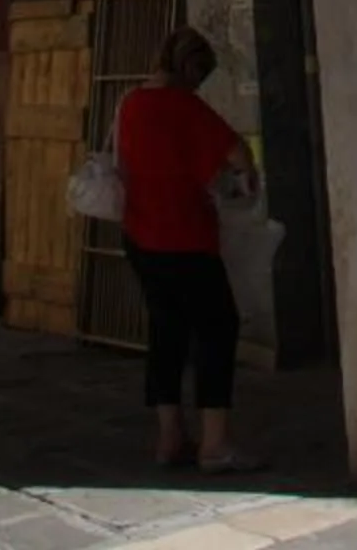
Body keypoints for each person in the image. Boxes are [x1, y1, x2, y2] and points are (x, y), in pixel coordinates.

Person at [116, 26, 259, 472]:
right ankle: (214, 444)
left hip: (140, 236)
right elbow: (237, 153)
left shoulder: (130, 103)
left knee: (166, 332)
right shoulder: (186, 106)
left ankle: (169, 438)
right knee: (218, 329)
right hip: (186, 237)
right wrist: (245, 177)